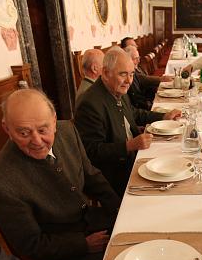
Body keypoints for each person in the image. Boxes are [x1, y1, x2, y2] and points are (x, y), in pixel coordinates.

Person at [0, 89, 120, 260]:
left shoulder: (68, 131)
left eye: (43, 130)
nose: (37, 141)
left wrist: (120, 209)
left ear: (55, 120)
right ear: (7, 129)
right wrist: (83, 245)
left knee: (136, 232)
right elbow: (32, 245)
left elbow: (91, 175)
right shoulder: (2, 184)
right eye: (23, 133)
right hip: (60, 242)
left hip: (88, 218)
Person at [75, 47, 181, 196]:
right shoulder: (90, 103)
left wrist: (163, 116)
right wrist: (129, 146)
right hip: (115, 173)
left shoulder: (117, 88)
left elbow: (134, 113)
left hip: (135, 156)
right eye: (123, 74)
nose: (129, 81)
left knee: (175, 162)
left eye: (131, 74)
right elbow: (91, 152)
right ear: (105, 73)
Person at [124, 45, 157, 110]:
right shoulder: (127, 77)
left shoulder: (135, 71)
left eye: (138, 58)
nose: (138, 61)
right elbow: (136, 102)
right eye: (136, 59)